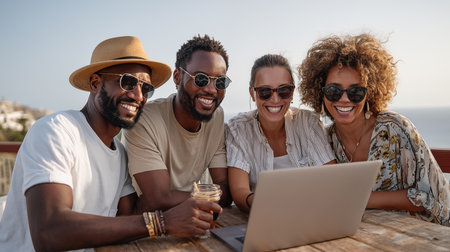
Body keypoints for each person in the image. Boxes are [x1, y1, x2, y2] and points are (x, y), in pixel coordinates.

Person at [0, 36, 222, 251]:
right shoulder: (56, 131)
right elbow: (49, 231)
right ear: (95, 83)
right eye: (128, 82)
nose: (138, 95)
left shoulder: (120, 155)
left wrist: (184, 208)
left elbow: (129, 217)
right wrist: (161, 222)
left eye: (146, 88)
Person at [298, 33, 450, 226]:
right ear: (320, 92)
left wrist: (359, 199)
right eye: (334, 91)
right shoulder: (325, 141)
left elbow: (429, 196)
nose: (344, 99)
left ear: (369, 94)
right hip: (365, 236)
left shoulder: (396, 129)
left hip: (426, 236)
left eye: (355, 92)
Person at [121, 35, 231, 211]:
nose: (211, 89)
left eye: (220, 81)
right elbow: (158, 198)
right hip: (143, 225)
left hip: (191, 218)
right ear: (177, 77)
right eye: (200, 79)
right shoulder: (144, 120)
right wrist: (210, 196)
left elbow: (225, 190)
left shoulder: (216, 117)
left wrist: (179, 198)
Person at [225, 54, 335, 212]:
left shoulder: (308, 123)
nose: (275, 99)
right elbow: (239, 192)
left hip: (314, 213)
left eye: (283, 91)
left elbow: (331, 180)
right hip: (264, 217)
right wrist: (266, 204)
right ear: (252, 93)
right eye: (265, 91)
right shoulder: (238, 129)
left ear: (292, 92)